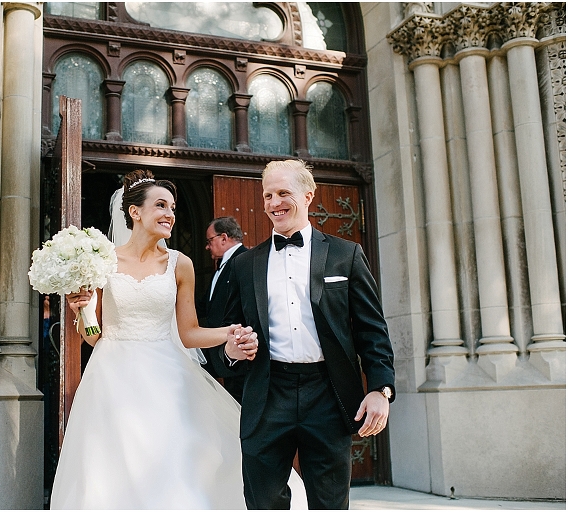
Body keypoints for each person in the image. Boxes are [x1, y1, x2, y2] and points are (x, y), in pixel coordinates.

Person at [49, 169, 262, 509]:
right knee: (114, 469)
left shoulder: (181, 264)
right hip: (112, 375)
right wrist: (81, 312)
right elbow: (93, 336)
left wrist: (230, 332)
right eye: (161, 205)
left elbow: (189, 334)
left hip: (167, 376)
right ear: (135, 212)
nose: (170, 214)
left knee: (173, 464)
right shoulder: (102, 263)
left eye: (174, 208)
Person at [214, 159, 396, 510]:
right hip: (267, 395)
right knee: (263, 502)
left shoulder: (347, 255)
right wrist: (232, 352)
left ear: (308, 195)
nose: (273, 202)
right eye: (268, 195)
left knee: (329, 503)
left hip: (327, 394)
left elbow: (372, 330)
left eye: (284, 192)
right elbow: (226, 336)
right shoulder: (244, 264)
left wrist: (379, 388)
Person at [197, 216, 248, 403]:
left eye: (210, 240)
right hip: (218, 349)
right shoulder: (221, 266)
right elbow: (207, 306)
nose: (207, 246)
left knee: (238, 404)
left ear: (224, 238)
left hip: (238, 350)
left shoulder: (244, 261)